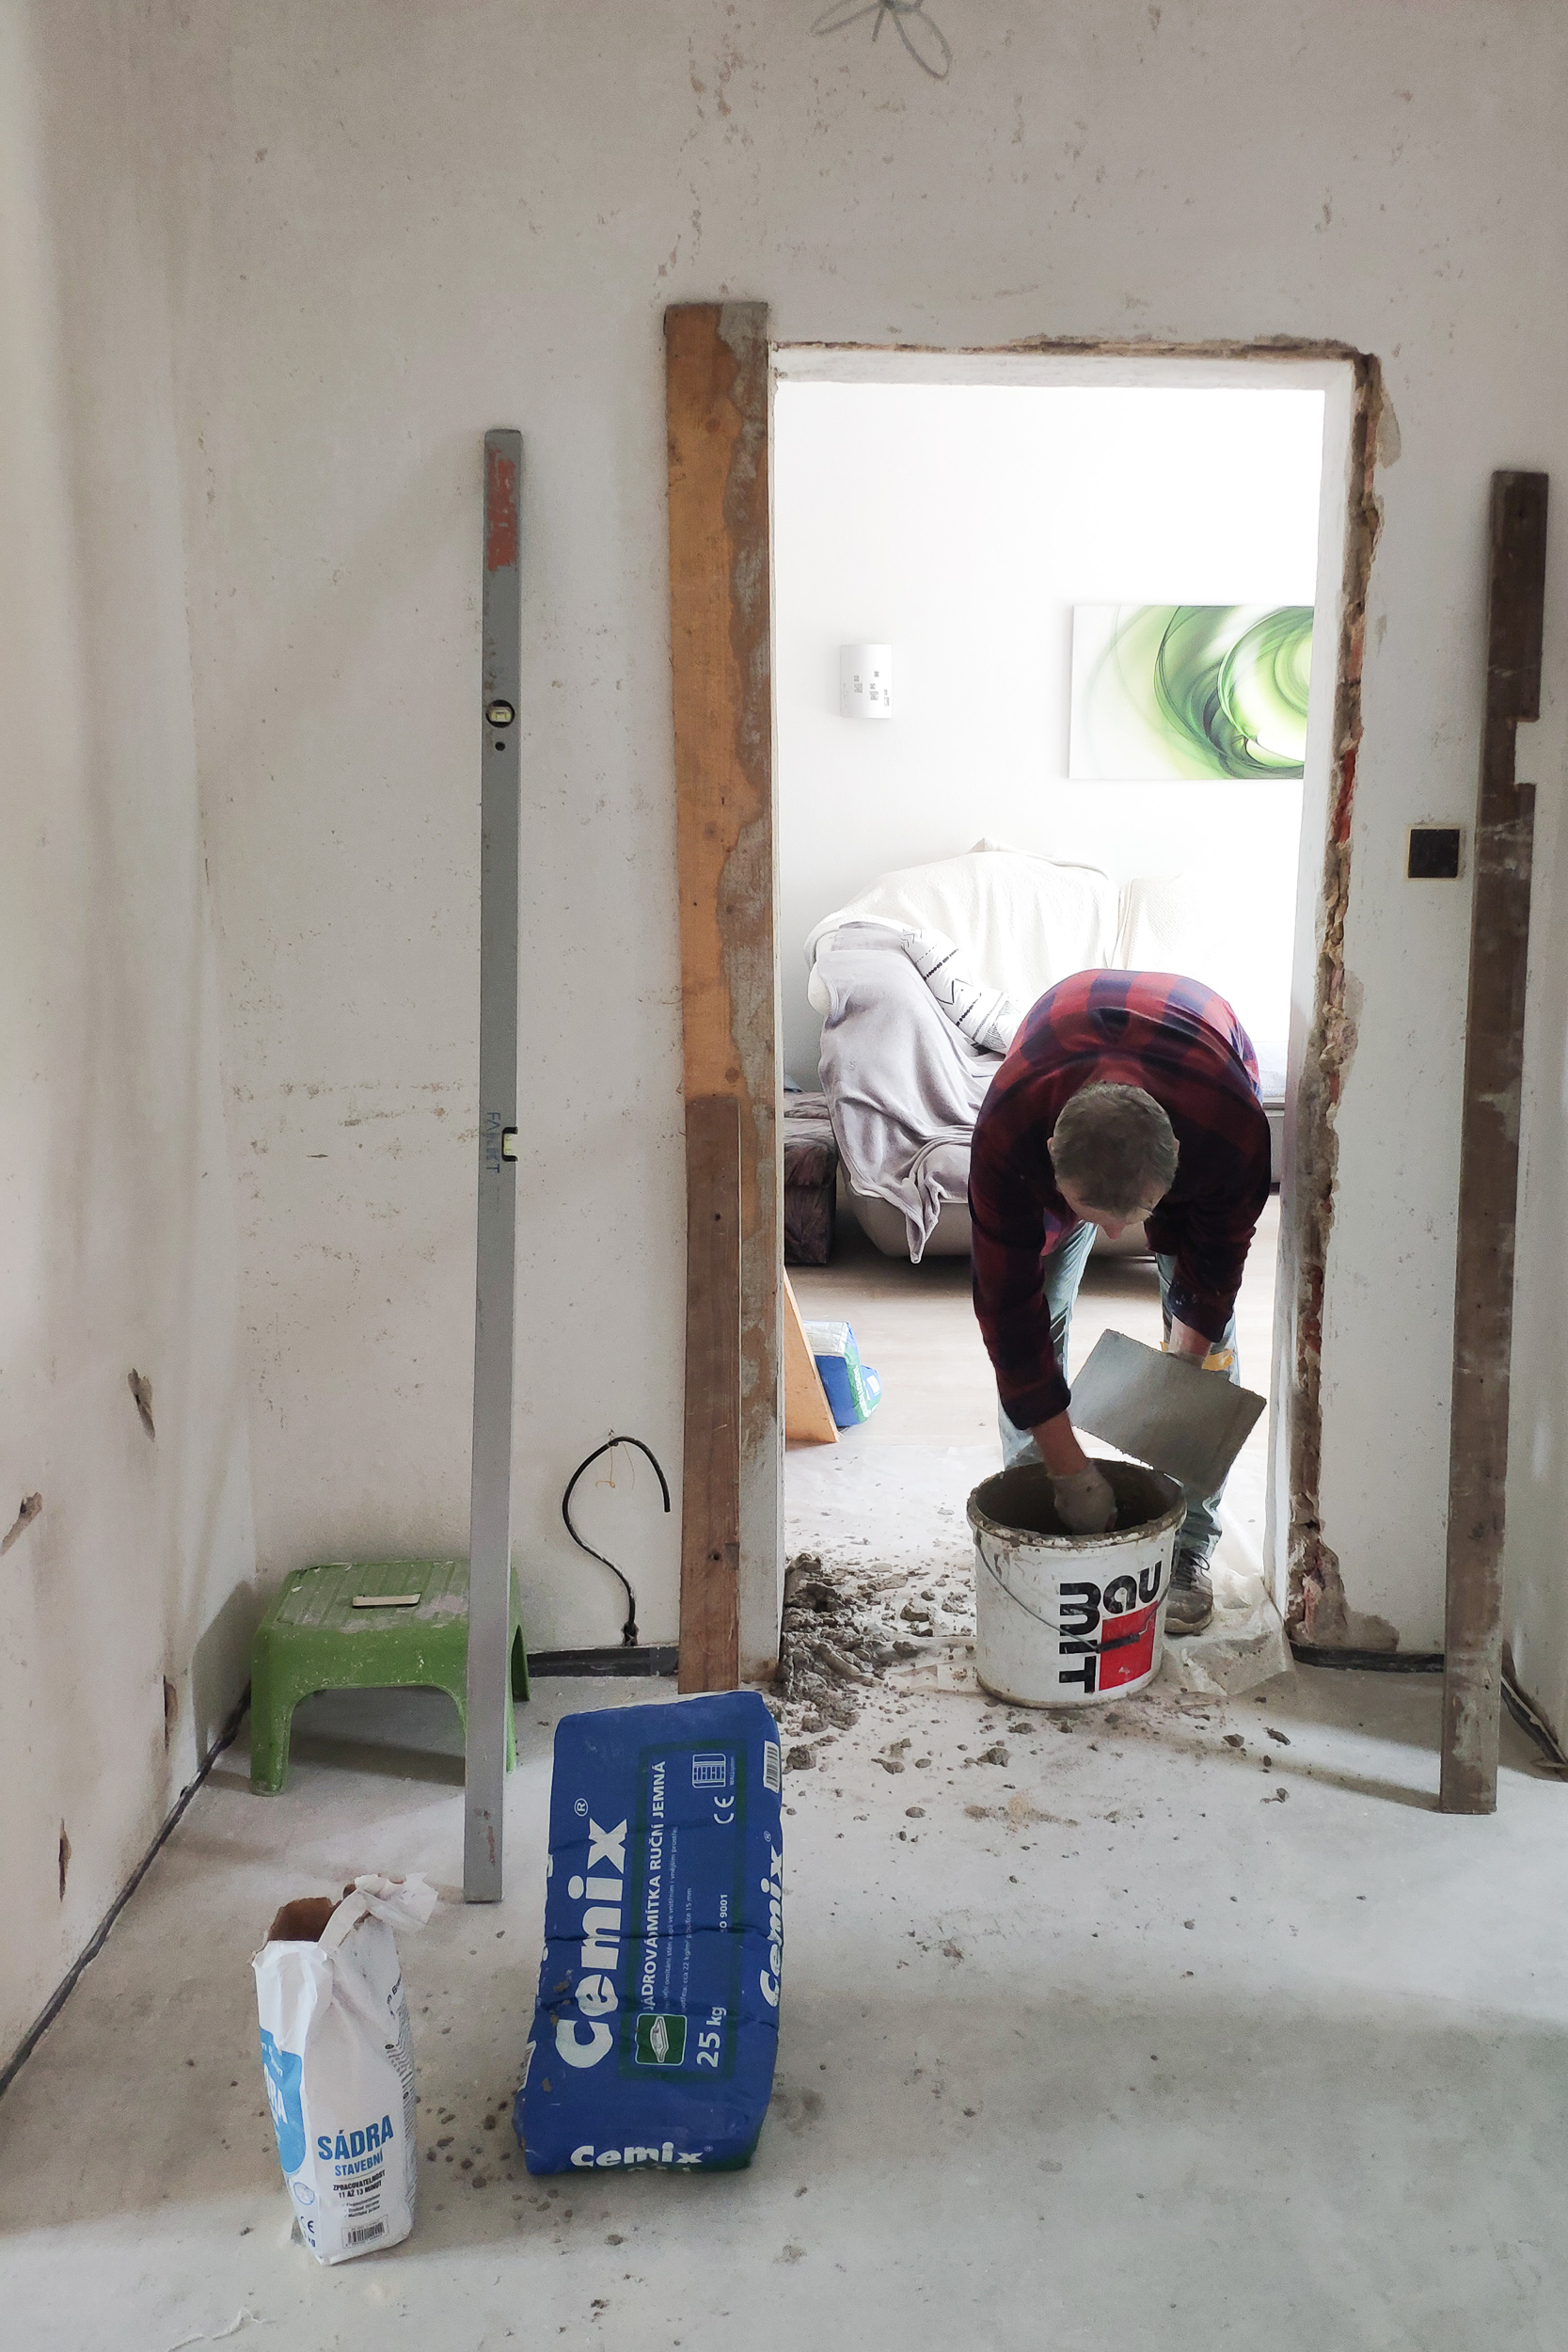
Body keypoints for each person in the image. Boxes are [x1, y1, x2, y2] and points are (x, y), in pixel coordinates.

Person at [967, 969, 1273, 1635]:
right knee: (1038, 1318)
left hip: (1199, 1060)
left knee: (1209, 1345)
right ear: (1052, 1156)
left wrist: (1181, 1379)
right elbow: (1006, 1312)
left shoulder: (1231, 1130)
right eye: (1090, 1215)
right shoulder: (1009, 1131)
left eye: (1131, 1218)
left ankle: (1189, 1543)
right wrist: (1071, 1470)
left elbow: (1213, 1275)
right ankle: (1041, 1507)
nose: (1111, 1236)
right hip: (1056, 1062)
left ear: (1175, 1162)